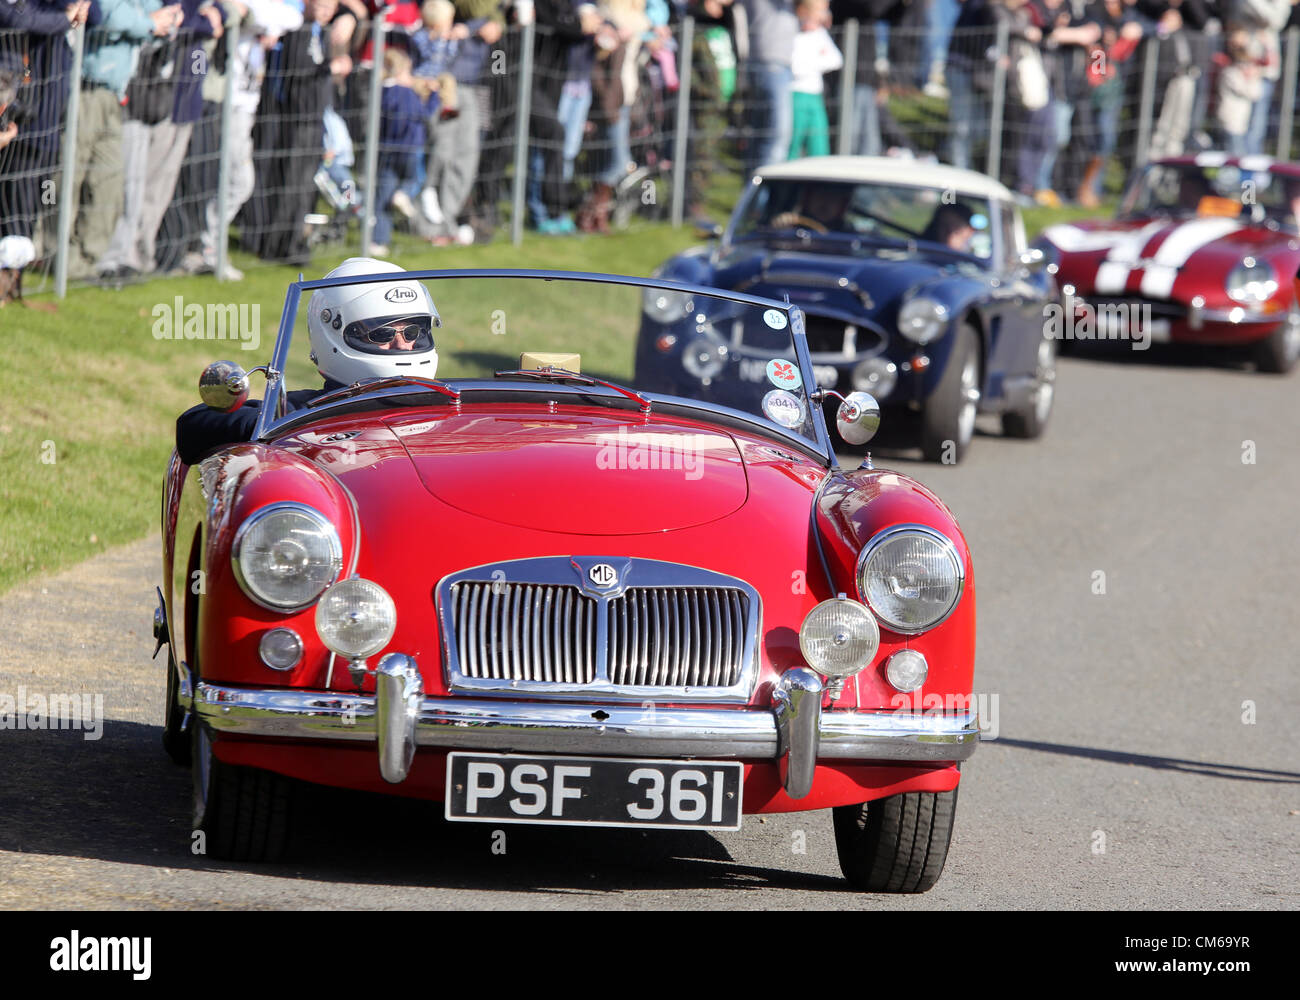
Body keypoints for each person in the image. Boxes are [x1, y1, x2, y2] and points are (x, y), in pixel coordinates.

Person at [175, 257, 441, 465]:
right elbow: (192, 426)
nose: (402, 344)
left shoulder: (451, 399)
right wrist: (276, 427)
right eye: (382, 333)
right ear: (334, 333)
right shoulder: (304, 411)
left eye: (412, 332)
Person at [787, 0, 841, 159]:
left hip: (815, 96)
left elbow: (835, 59)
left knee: (818, 145)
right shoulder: (792, 32)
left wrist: (809, 64)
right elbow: (793, 67)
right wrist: (814, 61)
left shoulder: (819, 34)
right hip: (795, 95)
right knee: (792, 144)